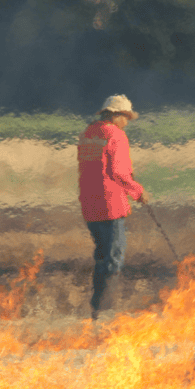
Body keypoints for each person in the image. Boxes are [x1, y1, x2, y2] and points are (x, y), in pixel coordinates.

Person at [77, 94, 150, 319]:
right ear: (116, 115)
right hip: (111, 205)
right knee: (113, 258)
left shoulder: (88, 134)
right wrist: (138, 192)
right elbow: (117, 172)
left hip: (89, 204)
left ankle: (97, 307)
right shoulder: (115, 135)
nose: (127, 122)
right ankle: (104, 310)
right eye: (126, 117)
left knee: (101, 255)